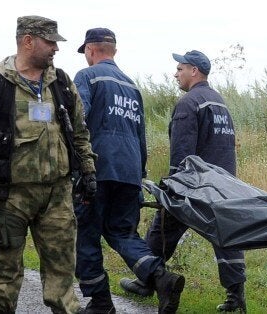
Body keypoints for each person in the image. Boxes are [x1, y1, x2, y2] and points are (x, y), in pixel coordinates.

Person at [0, 15, 97, 313]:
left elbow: (80, 132)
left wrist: (88, 171)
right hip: (10, 198)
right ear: (28, 40)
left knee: (62, 269)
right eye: (50, 42)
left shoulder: (61, 82)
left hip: (57, 195)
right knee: (5, 273)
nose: (55, 49)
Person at [120, 50, 246, 313]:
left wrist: (173, 186)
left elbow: (182, 152)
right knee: (226, 237)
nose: (175, 74)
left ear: (194, 72)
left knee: (161, 229)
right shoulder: (218, 101)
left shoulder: (189, 103)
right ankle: (236, 297)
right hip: (222, 184)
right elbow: (226, 147)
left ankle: (146, 281)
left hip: (194, 186)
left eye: (180, 69)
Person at [73, 27, 185, 314]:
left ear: (89, 49)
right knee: (122, 232)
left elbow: (78, 120)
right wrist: (140, 173)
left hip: (96, 170)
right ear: (114, 51)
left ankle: (100, 302)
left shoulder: (87, 76)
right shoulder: (132, 85)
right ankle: (161, 277)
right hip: (130, 171)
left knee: (87, 233)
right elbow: (140, 135)